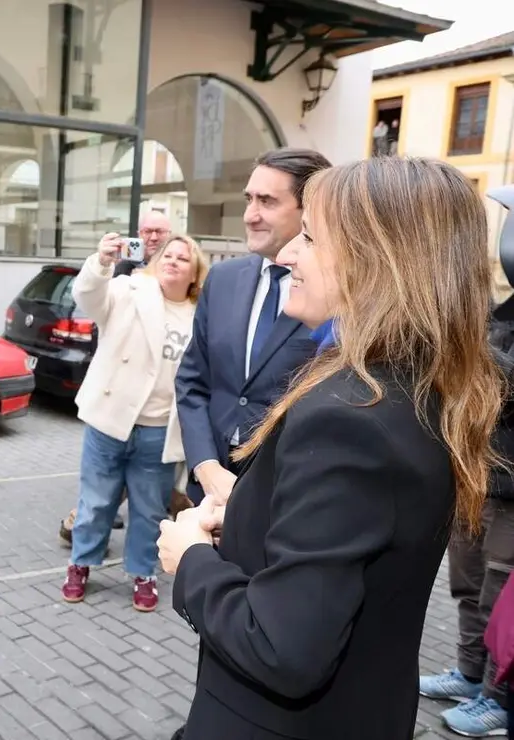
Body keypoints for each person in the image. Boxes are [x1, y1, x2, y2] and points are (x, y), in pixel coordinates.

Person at [158, 156, 505, 739]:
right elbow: (355, 544)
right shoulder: (420, 388)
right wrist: (247, 514)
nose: (288, 255)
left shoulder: (349, 418)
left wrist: (190, 557)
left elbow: (282, 648)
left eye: (311, 238)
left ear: (378, 261)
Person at [175, 148, 331, 508]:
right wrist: (205, 466)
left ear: (310, 209)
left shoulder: (331, 295)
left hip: (286, 494)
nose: (250, 215)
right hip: (211, 489)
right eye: (249, 199)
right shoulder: (222, 279)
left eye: (267, 201)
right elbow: (192, 382)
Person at [61, 234, 209, 611]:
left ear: (195, 274)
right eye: (168, 255)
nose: (173, 261)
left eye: (183, 258)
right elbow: (87, 296)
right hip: (109, 422)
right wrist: (101, 262)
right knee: (95, 503)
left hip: (159, 430)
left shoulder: (201, 315)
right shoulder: (129, 290)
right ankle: (80, 563)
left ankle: (143, 572)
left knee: (149, 510)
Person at [418, 183, 514, 737]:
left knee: (502, 593)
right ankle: (471, 673)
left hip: (512, 489)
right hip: (477, 475)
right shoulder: (499, 311)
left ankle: (500, 697)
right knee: (469, 582)